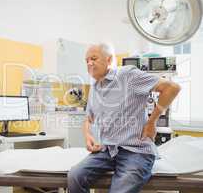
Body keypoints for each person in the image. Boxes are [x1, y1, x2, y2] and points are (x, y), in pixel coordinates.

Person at [67, 43, 181, 193]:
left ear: (108, 60)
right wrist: (88, 136)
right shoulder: (95, 88)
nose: (89, 63)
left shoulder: (127, 75)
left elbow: (172, 88)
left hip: (136, 151)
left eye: (93, 58)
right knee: (74, 176)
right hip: (107, 151)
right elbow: (88, 118)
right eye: (86, 60)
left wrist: (152, 122)